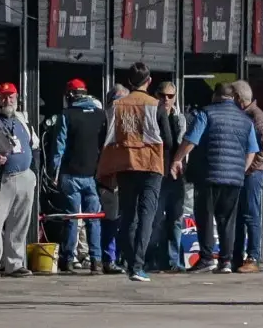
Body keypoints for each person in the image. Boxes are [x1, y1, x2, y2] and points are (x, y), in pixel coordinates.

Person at [172, 81, 258, 274]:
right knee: (227, 220)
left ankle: (206, 258)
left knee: (205, 216)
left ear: (215, 96)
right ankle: (225, 261)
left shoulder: (206, 113)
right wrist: (241, 171)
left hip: (208, 175)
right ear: (233, 98)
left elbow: (191, 140)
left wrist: (177, 159)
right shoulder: (246, 120)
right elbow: (252, 150)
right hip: (234, 179)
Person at [96, 63, 165, 282]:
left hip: (125, 163)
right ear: (150, 81)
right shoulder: (156, 105)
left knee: (127, 215)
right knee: (147, 215)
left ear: (129, 82)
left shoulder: (116, 106)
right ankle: (138, 265)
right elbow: (169, 138)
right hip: (151, 165)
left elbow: (105, 136)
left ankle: (128, 262)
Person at [48, 78, 107, 273]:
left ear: (70, 95)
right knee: (94, 218)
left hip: (71, 174)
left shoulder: (66, 115)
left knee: (72, 217)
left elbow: (59, 147)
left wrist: (53, 173)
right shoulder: (100, 115)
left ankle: (68, 259)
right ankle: (96, 260)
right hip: (93, 174)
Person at [0, 83, 37, 279]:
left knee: (20, 222)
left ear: (17, 97)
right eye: (3, 96)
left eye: (11, 96)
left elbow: (33, 144)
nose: (7, 100)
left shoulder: (22, 118)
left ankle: (15, 263)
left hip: (24, 176)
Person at [230, 80, 263, 273]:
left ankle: (253, 256)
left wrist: (252, 167)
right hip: (242, 172)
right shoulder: (244, 115)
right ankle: (237, 256)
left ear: (239, 99)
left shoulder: (257, 117)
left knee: (250, 213)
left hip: (253, 174)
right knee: (239, 215)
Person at [149, 81, 187, 272]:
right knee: (154, 219)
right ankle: (151, 259)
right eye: (162, 95)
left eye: (170, 96)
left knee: (175, 219)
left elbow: (182, 144)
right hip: (156, 174)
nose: (166, 99)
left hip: (175, 177)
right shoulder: (151, 117)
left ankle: (173, 261)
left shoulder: (178, 119)